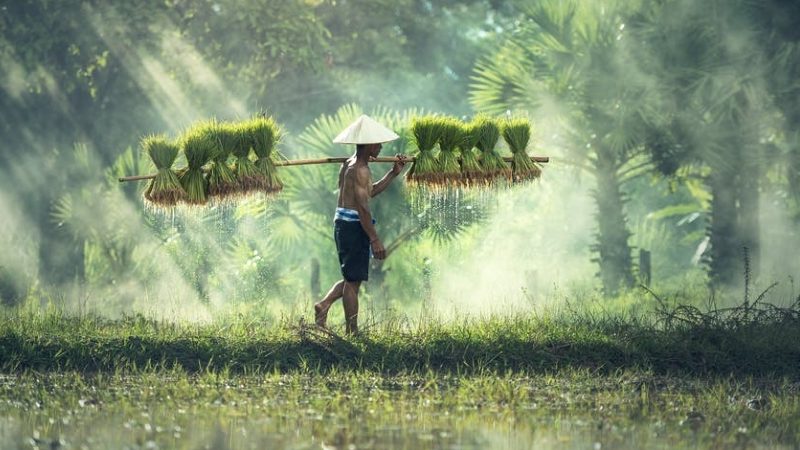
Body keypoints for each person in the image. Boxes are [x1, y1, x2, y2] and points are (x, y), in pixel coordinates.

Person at [314, 115, 406, 334]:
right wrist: (375, 239)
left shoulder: (350, 164)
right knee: (353, 283)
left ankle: (324, 305)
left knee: (351, 278)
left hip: (343, 223)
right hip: (353, 226)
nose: (382, 147)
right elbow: (363, 208)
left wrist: (393, 174)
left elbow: (369, 191)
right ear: (369, 145)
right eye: (378, 143)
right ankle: (352, 331)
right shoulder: (360, 170)